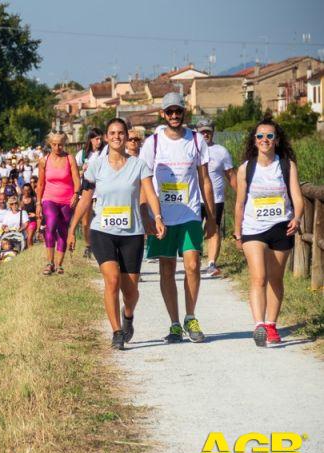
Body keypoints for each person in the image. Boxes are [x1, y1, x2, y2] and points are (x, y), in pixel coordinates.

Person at [68, 118, 166, 350]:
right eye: (112, 133)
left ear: (126, 136)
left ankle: (128, 314)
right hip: (103, 231)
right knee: (111, 280)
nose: (116, 137)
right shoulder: (96, 165)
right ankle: (116, 332)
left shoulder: (139, 165)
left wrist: (158, 217)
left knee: (130, 291)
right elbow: (85, 198)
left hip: (132, 233)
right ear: (105, 137)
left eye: (121, 133)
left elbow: (150, 194)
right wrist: (72, 229)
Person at [139, 92, 217, 343]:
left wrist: (212, 217)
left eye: (178, 111)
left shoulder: (196, 141)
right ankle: (174, 323)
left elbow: (204, 180)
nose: (174, 115)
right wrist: (147, 216)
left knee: (193, 265)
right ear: (163, 114)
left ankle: (190, 317)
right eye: (169, 111)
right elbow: (144, 181)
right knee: (167, 269)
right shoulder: (152, 143)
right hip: (163, 216)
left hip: (190, 213)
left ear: (185, 113)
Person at [233, 119, 304, 347]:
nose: (265, 140)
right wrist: (237, 233)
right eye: (260, 136)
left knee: (275, 278)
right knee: (259, 277)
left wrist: (298, 217)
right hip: (253, 228)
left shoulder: (287, 165)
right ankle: (259, 325)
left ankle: (272, 325)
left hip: (280, 227)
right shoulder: (246, 168)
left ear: (277, 140)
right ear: (254, 141)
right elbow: (240, 203)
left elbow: (297, 197)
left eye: (270, 136)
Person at [36, 132, 80, 275]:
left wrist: (76, 194)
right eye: (54, 144)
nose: (57, 147)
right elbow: (41, 183)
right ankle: (49, 262)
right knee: (51, 224)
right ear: (50, 144)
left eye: (60, 144)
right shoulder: (44, 160)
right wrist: (38, 203)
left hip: (67, 200)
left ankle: (59, 264)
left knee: (63, 231)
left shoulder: (70, 159)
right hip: (49, 198)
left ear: (64, 143)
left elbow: (76, 179)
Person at [196, 119, 236, 277]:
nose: (205, 134)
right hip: (195, 198)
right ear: (197, 133)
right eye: (202, 131)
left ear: (213, 132)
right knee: (193, 230)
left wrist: (242, 195)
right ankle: (194, 259)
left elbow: (231, 175)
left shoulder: (221, 151)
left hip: (216, 199)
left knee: (214, 229)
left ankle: (212, 263)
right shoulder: (192, 149)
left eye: (208, 131)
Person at [75, 128, 107, 260]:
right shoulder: (83, 154)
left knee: (103, 219)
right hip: (87, 190)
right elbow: (74, 171)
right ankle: (88, 245)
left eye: (100, 138)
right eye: (96, 139)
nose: (99, 141)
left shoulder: (106, 152)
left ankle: (103, 245)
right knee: (86, 221)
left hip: (102, 190)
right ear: (91, 139)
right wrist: (81, 172)